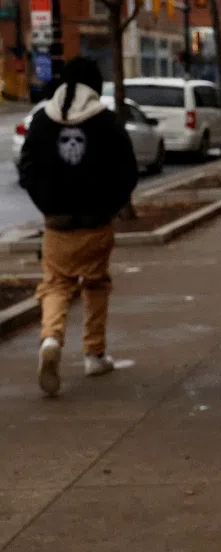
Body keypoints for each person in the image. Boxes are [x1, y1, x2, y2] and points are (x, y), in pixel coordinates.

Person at [18, 57, 138, 395]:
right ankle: (93, 353)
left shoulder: (42, 121)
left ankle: (51, 338)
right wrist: (111, 207)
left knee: (56, 284)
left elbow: (26, 169)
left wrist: (47, 205)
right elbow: (128, 172)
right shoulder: (107, 122)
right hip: (96, 222)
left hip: (57, 223)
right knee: (96, 284)